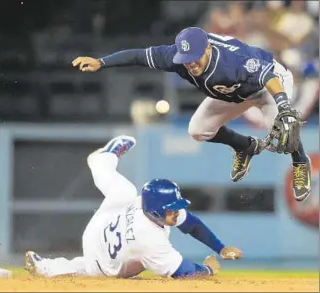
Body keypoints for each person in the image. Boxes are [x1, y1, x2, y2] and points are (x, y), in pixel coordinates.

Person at [72, 27, 312, 202]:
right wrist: (101, 62)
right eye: (185, 59)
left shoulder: (232, 60)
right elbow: (138, 55)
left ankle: (301, 162)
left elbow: (268, 77)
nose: (191, 64)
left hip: (267, 85)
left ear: (208, 47)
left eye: (195, 57)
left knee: (282, 128)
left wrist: (284, 106)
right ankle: (245, 146)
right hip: (232, 94)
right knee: (197, 130)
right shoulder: (177, 57)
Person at [25, 135, 242, 279]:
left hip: (100, 229)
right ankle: (51, 268)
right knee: (118, 263)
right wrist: (209, 270)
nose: (176, 211)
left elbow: (192, 224)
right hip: (102, 265)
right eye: (171, 208)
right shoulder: (149, 239)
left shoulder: (145, 203)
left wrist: (220, 248)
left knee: (124, 192)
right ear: (155, 211)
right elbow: (183, 272)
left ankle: (103, 159)